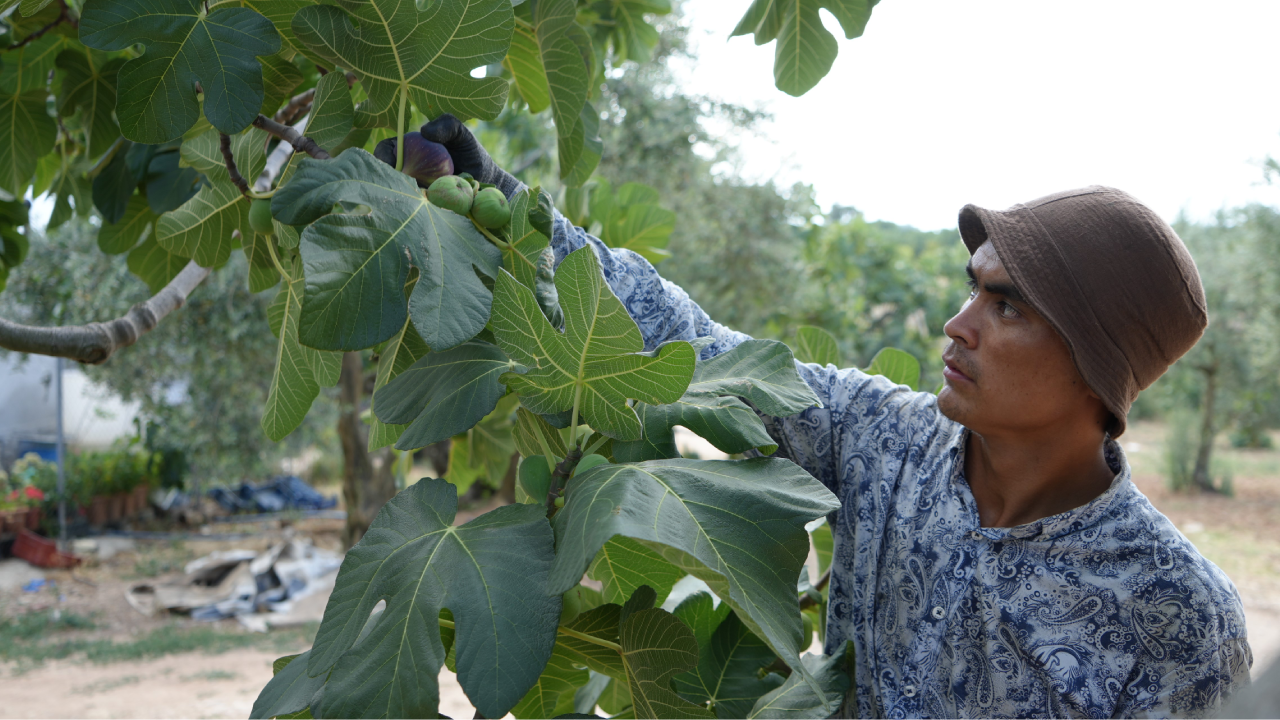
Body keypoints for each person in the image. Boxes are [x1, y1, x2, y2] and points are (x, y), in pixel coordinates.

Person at [420, 115, 1253, 718]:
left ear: (1095, 363)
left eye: (1005, 306)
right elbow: (698, 349)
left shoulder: (1178, 615)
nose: (957, 324)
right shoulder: (879, 436)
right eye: (973, 288)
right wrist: (506, 208)